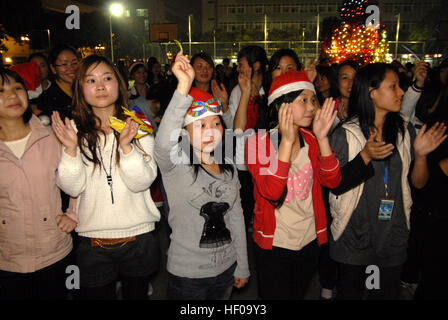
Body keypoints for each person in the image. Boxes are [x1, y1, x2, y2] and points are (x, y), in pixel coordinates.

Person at [328, 62, 447, 300]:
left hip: (392, 237)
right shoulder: (347, 134)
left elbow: (418, 184)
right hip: (355, 237)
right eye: (393, 86)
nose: (401, 92)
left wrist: (421, 156)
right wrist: (366, 156)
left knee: (382, 294)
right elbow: (335, 183)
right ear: (372, 92)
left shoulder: (404, 130)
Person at [51, 55, 160, 300]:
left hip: (139, 239)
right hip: (93, 243)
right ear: (81, 89)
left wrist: (127, 148)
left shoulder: (137, 128)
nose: (100, 86)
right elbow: (72, 187)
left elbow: (142, 182)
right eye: (91, 80)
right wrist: (69, 151)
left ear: (119, 85)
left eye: (107, 78)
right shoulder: (74, 132)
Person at [154, 51, 249, 300]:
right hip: (188, 276)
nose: (211, 131)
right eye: (201, 125)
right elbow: (162, 144)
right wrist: (183, 88)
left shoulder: (227, 164)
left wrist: (242, 264)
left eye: (216, 123)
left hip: (227, 269)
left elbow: (237, 217)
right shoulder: (175, 164)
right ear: (184, 133)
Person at [245, 70, 341, 299]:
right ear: (282, 106)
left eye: (313, 99)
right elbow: (271, 191)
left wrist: (323, 137)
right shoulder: (257, 143)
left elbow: (333, 181)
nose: (311, 107)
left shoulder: (311, 140)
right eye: (303, 100)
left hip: (309, 241)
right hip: (274, 245)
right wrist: (287, 142)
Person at [0, 68, 74, 300]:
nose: (12, 96)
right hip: (8, 258)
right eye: (1, 91)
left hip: (54, 251)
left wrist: (73, 211)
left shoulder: (52, 136)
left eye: (17, 88)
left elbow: (79, 177)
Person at [37, 44, 79, 122]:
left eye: (75, 63)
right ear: (53, 69)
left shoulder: (87, 90)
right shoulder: (47, 100)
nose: (71, 68)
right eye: (64, 64)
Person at [331, 60, 359, 131]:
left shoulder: (368, 106)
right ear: (337, 82)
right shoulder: (330, 107)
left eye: (355, 78)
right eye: (345, 78)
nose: (351, 83)